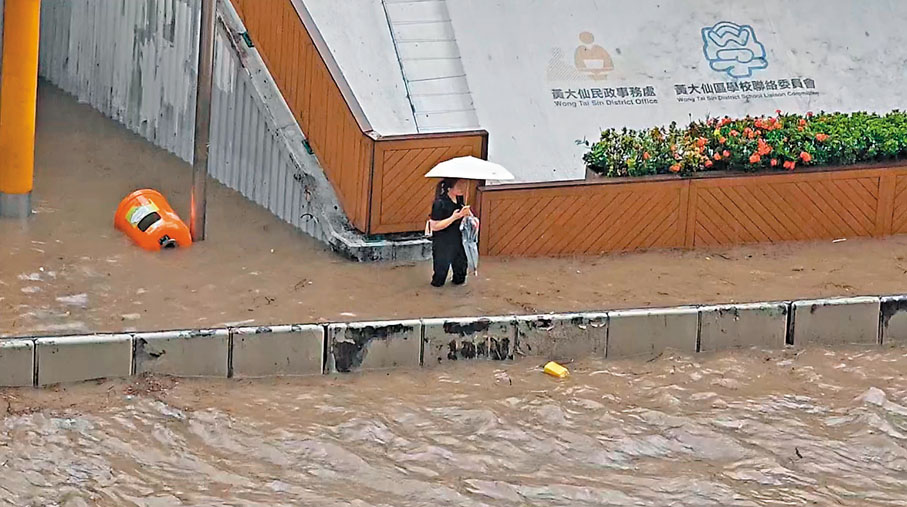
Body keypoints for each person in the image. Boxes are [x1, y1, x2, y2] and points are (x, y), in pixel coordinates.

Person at [428, 178, 472, 287]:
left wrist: (468, 215)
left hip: (458, 239)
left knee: (461, 272)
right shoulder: (439, 203)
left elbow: (465, 218)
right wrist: (453, 217)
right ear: (449, 188)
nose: (462, 188)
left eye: (463, 185)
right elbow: (434, 226)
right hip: (443, 241)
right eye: (459, 186)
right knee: (440, 276)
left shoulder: (460, 200)